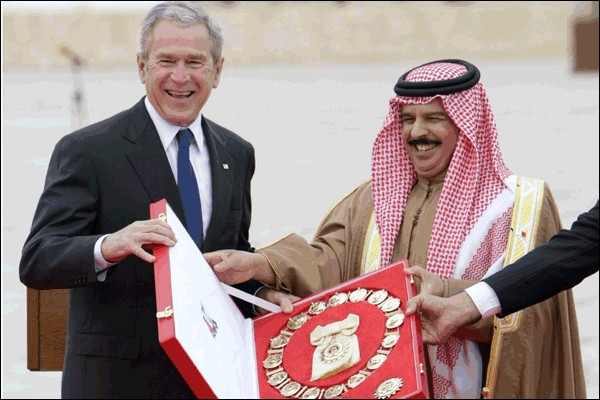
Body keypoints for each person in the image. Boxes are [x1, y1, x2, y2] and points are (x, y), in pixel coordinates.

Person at [205, 59, 585, 398]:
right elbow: (329, 263)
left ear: (466, 125)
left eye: (434, 118)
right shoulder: (372, 198)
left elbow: (531, 314)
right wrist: (261, 265)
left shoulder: (516, 206)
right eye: (407, 119)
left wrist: (447, 295)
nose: (417, 132)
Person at [19, 2, 267, 398]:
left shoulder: (236, 153)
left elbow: (232, 255)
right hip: (115, 384)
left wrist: (265, 294)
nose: (180, 77)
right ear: (141, 67)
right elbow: (38, 259)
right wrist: (108, 246)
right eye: (166, 61)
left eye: (195, 62)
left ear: (217, 70)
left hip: (207, 382)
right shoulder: (88, 150)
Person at [406, 200, 599, 344]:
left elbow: (531, 323)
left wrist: (448, 290)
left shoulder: (521, 199)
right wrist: (462, 304)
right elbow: (585, 241)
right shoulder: (388, 197)